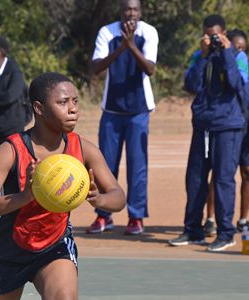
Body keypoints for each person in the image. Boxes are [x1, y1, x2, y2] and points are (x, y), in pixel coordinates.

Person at [0, 72, 126, 299]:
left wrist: (97, 198)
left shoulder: (83, 148)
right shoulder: (11, 150)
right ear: (39, 108)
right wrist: (25, 197)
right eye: (62, 102)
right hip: (5, 249)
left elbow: (118, 196)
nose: (73, 109)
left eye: (75, 101)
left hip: (54, 245)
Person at [168, 15, 249, 251]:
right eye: (207, 34)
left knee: (223, 179)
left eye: (215, 34)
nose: (211, 39)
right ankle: (193, 230)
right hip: (202, 125)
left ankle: (226, 233)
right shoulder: (199, 56)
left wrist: (225, 52)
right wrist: (203, 56)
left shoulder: (237, 56)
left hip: (227, 126)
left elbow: (236, 85)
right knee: (195, 179)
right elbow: (191, 85)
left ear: (224, 33)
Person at [86, 0, 158, 235]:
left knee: (137, 166)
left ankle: (136, 217)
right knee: (104, 165)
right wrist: (121, 47)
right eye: (127, 9)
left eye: (135, 9)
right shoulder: (107, 32)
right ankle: (103, 216)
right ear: (120, 11)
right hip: (112, 110)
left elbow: (149, 69)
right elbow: (96, 68)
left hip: (139, 111)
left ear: (141, 11)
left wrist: (132, 46)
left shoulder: (149, 32)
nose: (131, 13)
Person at [203, 29, 249, 236]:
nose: (239, 51)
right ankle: (210, 219)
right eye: (235, 46)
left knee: (247, 172)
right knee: (219, 172)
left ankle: (243, 220)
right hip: (228, 126)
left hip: (246, 129)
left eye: (242, 49)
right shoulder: (218, 64)